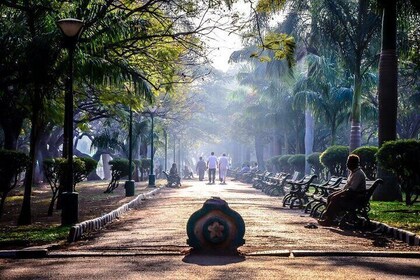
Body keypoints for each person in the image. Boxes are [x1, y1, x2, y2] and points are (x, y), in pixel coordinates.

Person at [318, 154, 367, 226]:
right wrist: (337, 193)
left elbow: (352, 189)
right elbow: (346, 187)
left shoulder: (358, 174)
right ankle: (330, 218)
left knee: (334, 199)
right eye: (347, 162)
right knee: (330, 196)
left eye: (349, 163)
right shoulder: (352, 172)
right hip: (350, 195)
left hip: (356, 197)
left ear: (355, 163)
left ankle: (329, 219)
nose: (347, 164)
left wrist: (337, 195)